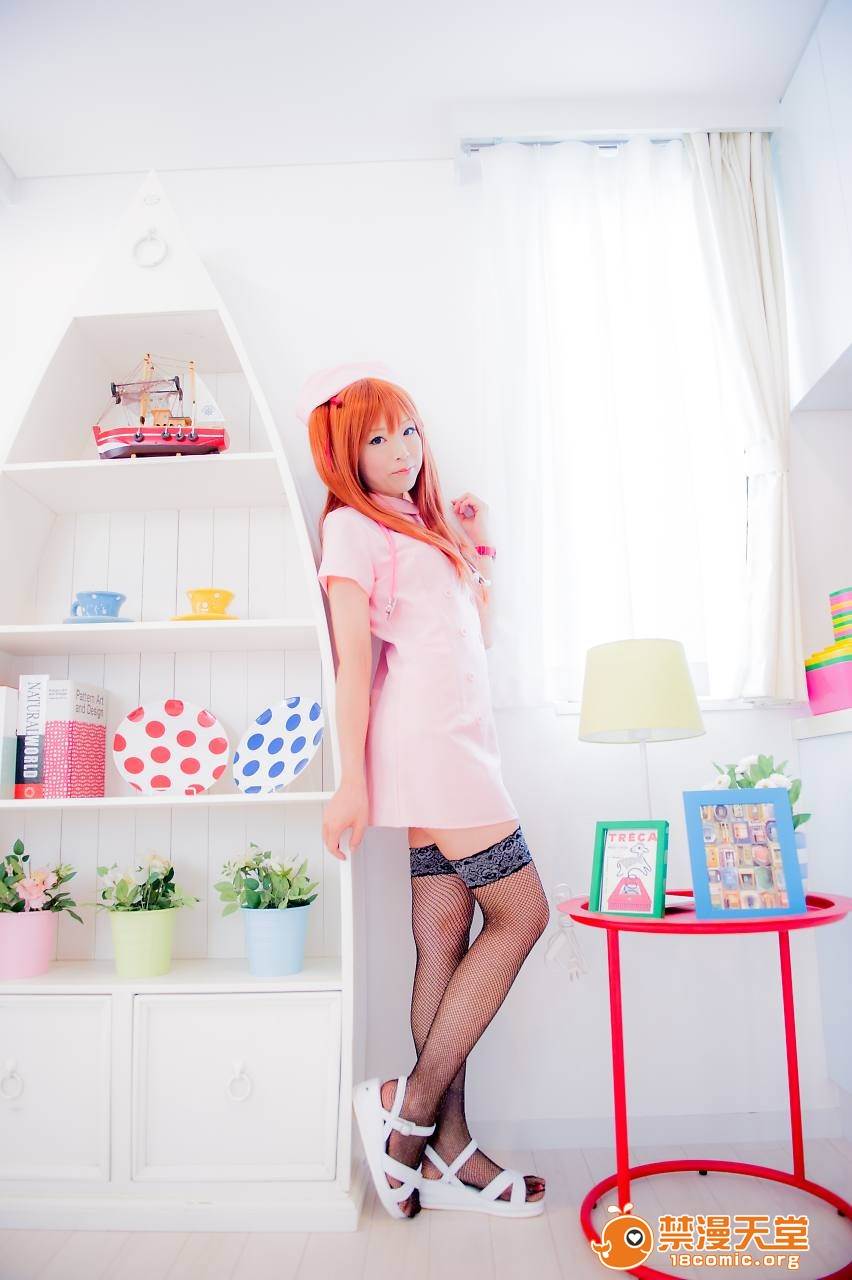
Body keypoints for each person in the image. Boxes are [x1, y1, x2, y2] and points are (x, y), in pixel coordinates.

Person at [299, 361, 550, 1221]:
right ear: (346, 455)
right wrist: (350, 781)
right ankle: (405, 1116)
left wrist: (475, 548)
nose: (401, 450)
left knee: (442, 939)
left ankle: (449, 1147)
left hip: (459, 742)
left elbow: (475, 636)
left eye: (407, 430)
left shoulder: (420, 524)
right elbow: (353, 665)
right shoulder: (351, 529)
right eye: (376, 439)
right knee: (523, 913)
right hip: (432, 747)